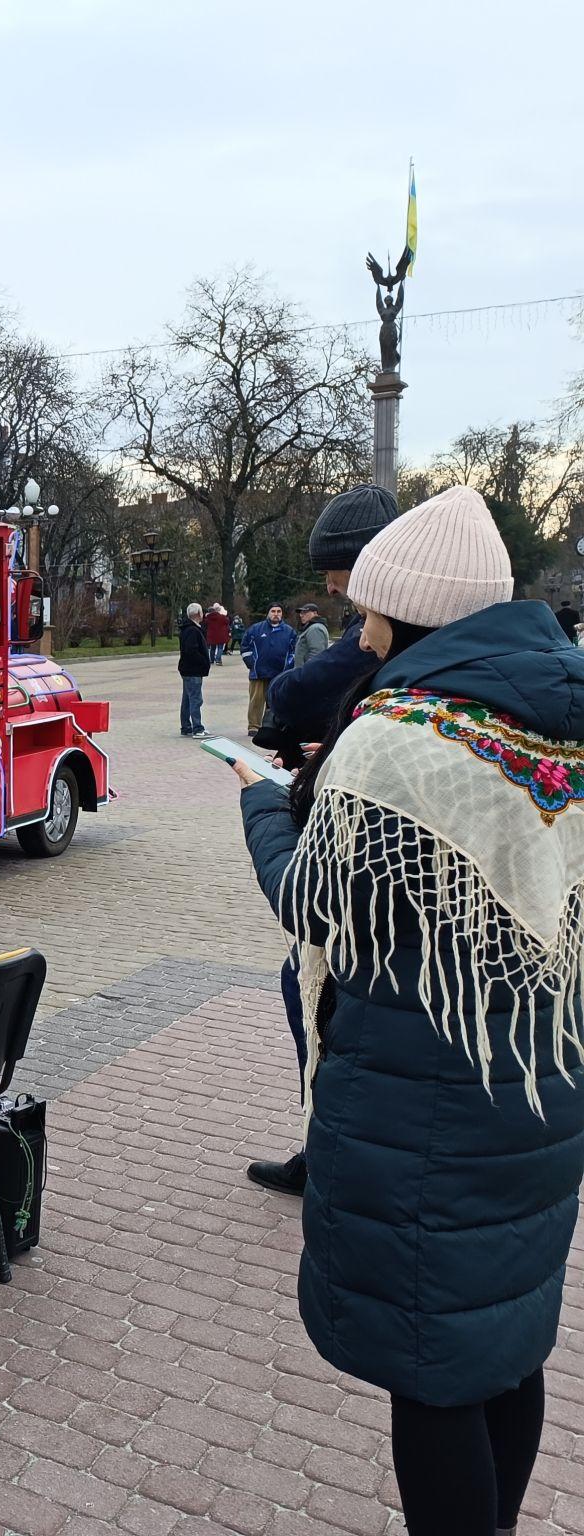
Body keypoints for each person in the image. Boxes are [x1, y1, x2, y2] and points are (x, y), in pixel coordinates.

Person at [237, 484, 584, 1536]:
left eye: (364, 610)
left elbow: (311, 901)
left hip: (419, 1109)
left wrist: (260, 802)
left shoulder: (394, 739)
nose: (356, 626)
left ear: (396, 611)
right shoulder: (561, 720)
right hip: (540, 1084)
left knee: (430, 1378)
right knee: (503, 1348)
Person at [246, 483, 397, 1196]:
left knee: (328, 996)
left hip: (366, 901)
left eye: (353, 594)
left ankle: (335, 1156)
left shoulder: (401, 656)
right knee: (304, 985)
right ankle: (324, 1140)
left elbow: (303, 898)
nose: (347, 610)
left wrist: (266, 805)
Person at [266, 485, 400, 751]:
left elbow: (294, 692)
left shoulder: (389, 628)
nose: (329, 586)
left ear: (361, 565)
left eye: (330, 571)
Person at [240, 602, 296, 731]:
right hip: (258, 673)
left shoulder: (289, 632)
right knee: (256, 701)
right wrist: (252, 663)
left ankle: (269, 727)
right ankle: (254, 726)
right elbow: (245, 647)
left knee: (274, 702)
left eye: (278, 611)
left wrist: (288, 667)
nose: (276, 614)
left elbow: (294, 651)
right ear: (268, 613)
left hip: (279, 674)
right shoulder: (255, 629)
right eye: (273, 611)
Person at [177, 603, 210, 737]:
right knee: (195, 699)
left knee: (187, 698)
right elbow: (191, 651)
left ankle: (186, 726)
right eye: (202, 612)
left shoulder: (189, 628)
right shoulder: (192, 630)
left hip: (188, 669)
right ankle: (197, 728)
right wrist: (203, 661)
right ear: (198, 614)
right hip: (193, 670)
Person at [291, 601, 331, 670]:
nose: (301, 615)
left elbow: (316, 655)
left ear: (315, 613)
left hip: (308, 674)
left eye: (305, 612)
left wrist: (306, 674)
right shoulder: (310, 627)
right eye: (301, 613)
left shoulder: (315, 628)